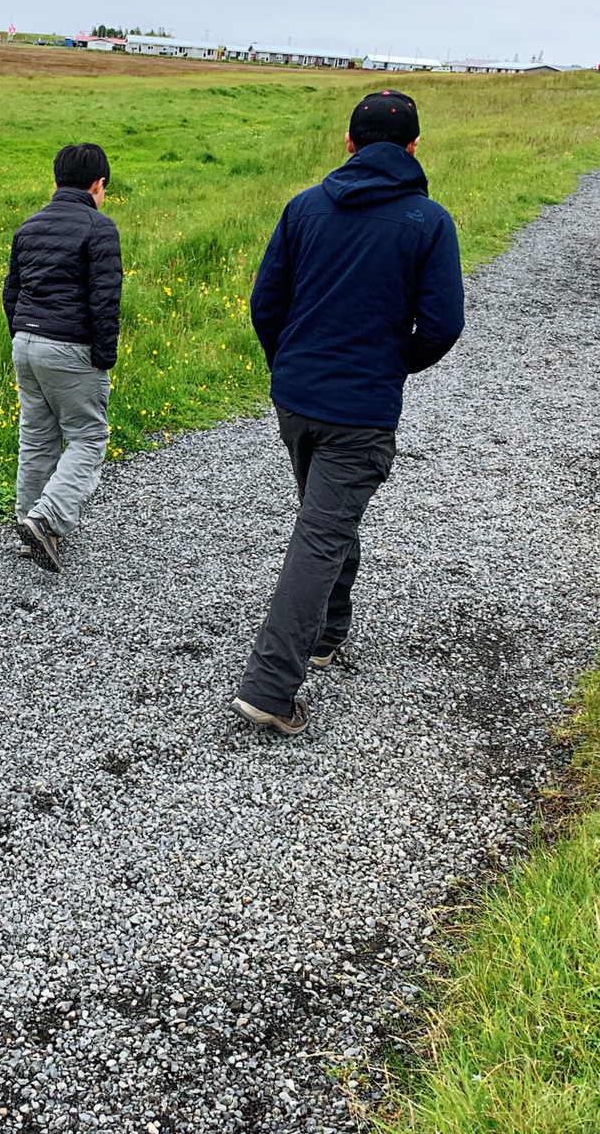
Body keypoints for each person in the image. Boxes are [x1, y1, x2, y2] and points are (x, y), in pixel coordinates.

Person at [231, 90, 464, 735]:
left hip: (296, 401)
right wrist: (390, 365)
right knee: (323, 530)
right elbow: (443, 326)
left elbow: (265, 304)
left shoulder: (304, 208)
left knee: (326, 514)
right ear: (414, 147)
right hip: (358, 409)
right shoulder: (429, 222)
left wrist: (292, 365)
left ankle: (328, 632)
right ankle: (270, 687)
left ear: (349, 142)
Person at [2, 143, 123, 573]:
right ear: (98, 184)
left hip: (26, 344)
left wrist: (22, 336)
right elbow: (105, 300)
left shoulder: (29, 226)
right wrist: (103, 357)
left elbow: (10, 293)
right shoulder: (99, 228)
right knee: (89, 437)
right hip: (70, 347)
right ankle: (46, 519)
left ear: (55, 181)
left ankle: (27, 522)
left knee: (37, 437)